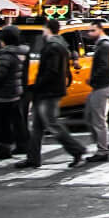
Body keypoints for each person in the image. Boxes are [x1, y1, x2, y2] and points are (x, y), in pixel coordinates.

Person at [23, 20, 84, 170]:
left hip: (48, 92)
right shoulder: (60, 45)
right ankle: (33, 158)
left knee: (51, 124)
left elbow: (52, 71)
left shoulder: (53, 47)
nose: (43, 32)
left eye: (44, 29)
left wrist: (38, 86)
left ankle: (77, 150)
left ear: (47, 29)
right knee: (37, 125)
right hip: (49, 91)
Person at [0, 26, 30, 158]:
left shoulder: (5, 55)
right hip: (15, 91)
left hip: (2, 94)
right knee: (14, 120)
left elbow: (0, 75)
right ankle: (19, 145)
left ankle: (1, 147)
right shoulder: (21, 53)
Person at [82, 23, 109, 163]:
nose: (90, 33)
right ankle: (103, 144)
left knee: (98, 119)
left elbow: (104, 67)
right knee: (90, 116)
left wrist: (93, 79)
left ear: (100, 30)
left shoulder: (104, 46)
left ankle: (102, 150)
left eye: (93, 30)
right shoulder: (102, 45)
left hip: (102, 86)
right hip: (100, 85)